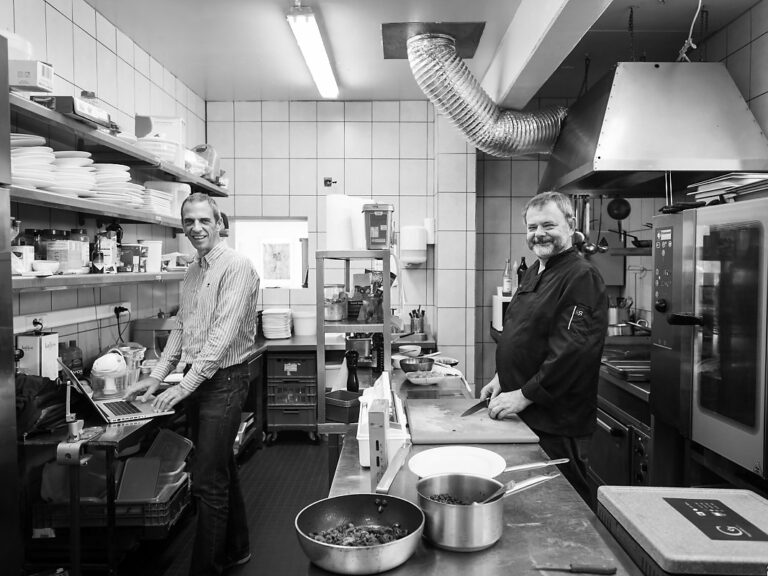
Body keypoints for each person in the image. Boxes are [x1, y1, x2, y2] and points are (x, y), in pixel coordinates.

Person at [125, 193, 260, 575]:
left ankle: (206, 568)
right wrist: (156, 375)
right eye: (188, 222)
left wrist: (186, 384)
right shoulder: (193, 271)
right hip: (200, 380)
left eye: (204, 220)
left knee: (206, 481)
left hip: (224, 381)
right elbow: (182, 327)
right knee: (220, 469)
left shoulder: (236, 266)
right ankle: (237, 548)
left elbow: (221, 335)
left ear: (219, 223)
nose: (196, 228)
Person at [480, 191, 608, 507]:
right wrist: (502, 376)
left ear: (570, 224)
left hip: (556, 422)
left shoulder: (580, 276)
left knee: (565, 505)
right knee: (533, 503)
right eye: (532, 227)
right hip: (529, 416)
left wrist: (523, 394)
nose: (539, 234)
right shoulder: (537, 270)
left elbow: (572, 351)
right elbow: (523, 332)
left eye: (548, 225)